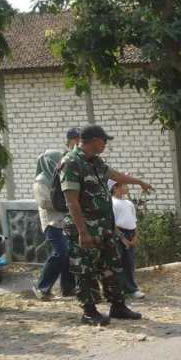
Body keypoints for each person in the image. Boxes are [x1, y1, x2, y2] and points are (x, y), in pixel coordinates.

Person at [59, 125, 153, 325]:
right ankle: (89, 312)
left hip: (104, 227)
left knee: (113, 267)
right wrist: (83, 232)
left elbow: (115, 175)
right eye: (104, 140)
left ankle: (118, 306)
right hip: (85, 228)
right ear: (94, 140)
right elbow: (71, 201)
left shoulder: (95, 161)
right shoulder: (71, 162)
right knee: (86, 270)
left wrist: (139, 182)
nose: (105, 144)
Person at [32, 148, 75, 300]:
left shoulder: (61, 177)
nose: (61, 164)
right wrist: (66, 203)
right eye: (58, 161)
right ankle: (42, 288)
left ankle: (68, 288)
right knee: (60, 252)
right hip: (52, 222)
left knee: (69, 254)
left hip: (66, 221)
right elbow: (44, 202)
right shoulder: (41, 180)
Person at [109, 180, 144, 299]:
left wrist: (135, 236)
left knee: (129, 262)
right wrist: (122, 238)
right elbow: (112, 223)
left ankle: (131, 289)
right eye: (124, 185)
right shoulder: (112, 203)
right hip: (119, 234)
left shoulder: (129, 203)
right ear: (115, 188)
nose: (127, 187)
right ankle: (118, 290)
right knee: (119, 262)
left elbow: (134, 221)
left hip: (131, 233)